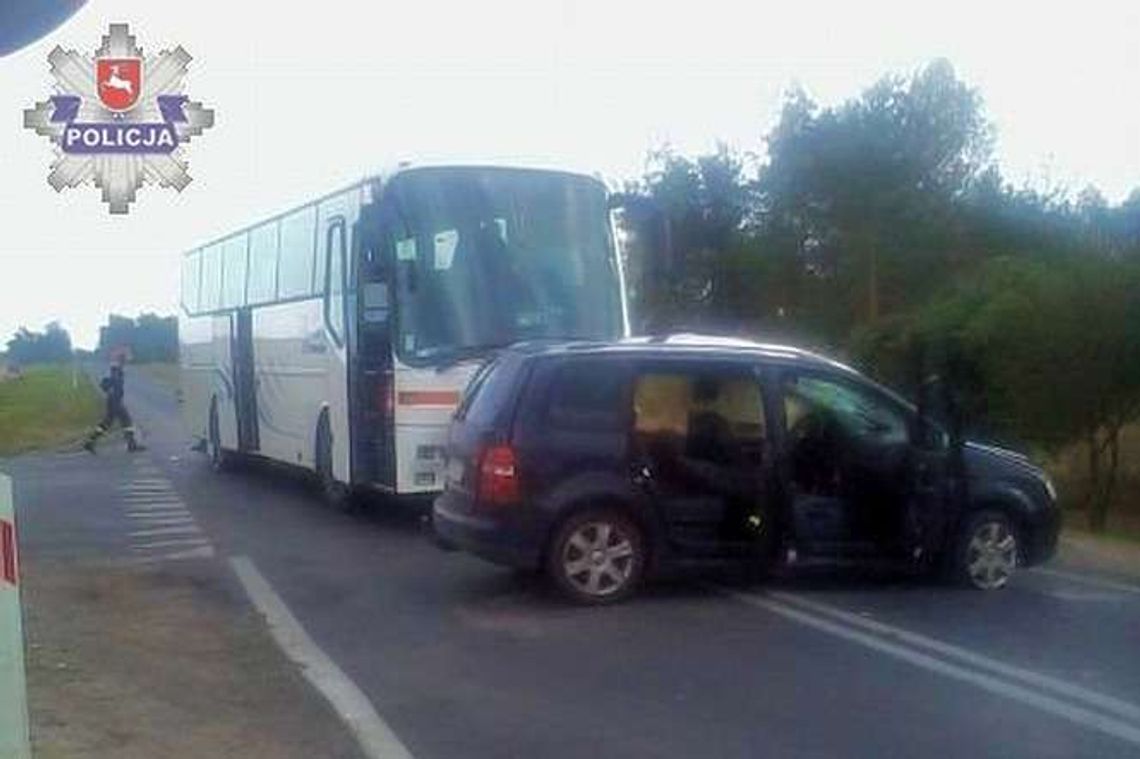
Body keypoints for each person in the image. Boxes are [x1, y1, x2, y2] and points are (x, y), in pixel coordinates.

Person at [83, 355, 143, 453]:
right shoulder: (116, 370)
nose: (126, 363)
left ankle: (90, 442)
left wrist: (109, 391)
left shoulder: (115, 370)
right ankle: (131, 445)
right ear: (121, 361)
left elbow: (104, 384)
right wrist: (112, 391)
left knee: (107, 423)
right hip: (115, 401)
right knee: (126, 420)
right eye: (125, 361)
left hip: (113, 400)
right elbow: (109, 384)